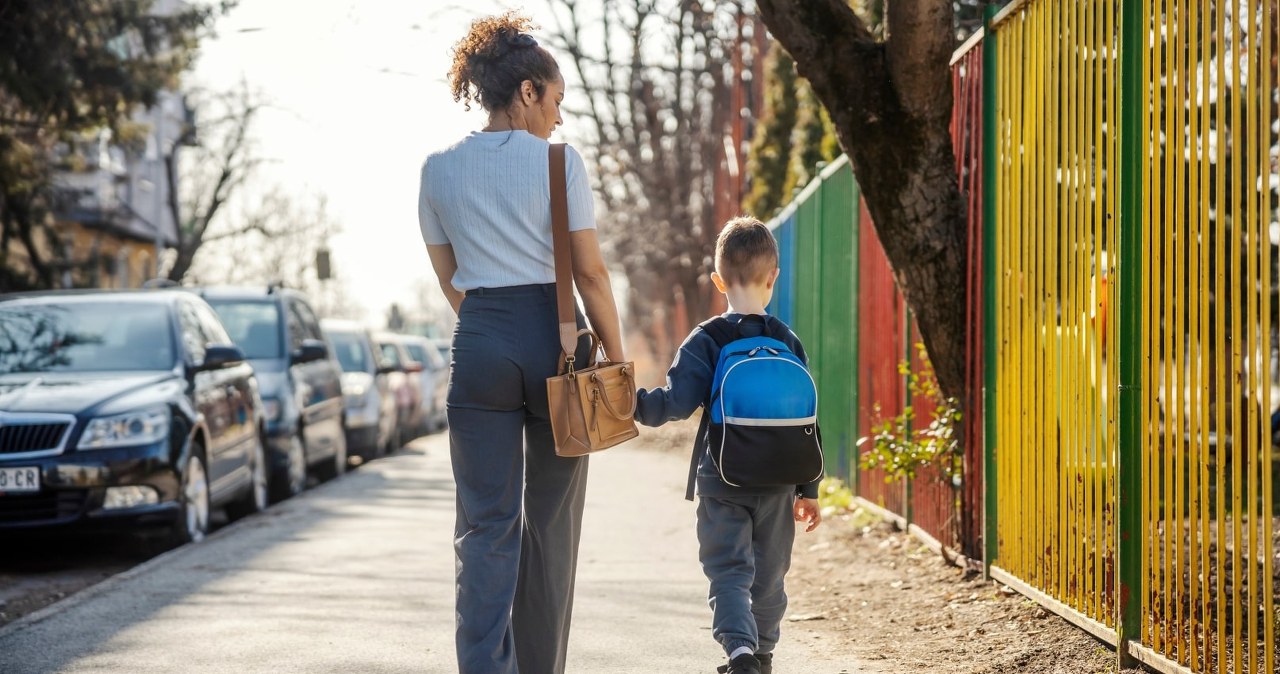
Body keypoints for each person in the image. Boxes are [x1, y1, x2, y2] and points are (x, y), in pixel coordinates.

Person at [417, 12, 624, 674]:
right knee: (551, 527)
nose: (559, 119)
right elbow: (589, 273)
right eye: (555, 100)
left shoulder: (436, 170)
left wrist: (488, 324)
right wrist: (616, 357)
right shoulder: (561, 164)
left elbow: (451, 281)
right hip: (555, 345)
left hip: (478, 344)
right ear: (528, 92)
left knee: (484, 527)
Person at [635, 217, 823, 674]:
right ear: (773, 277)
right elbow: (807, 420)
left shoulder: (706, 339)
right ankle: (762, 655)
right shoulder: (786, 341)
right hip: (780, 483)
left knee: (729, 569)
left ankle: (739, 653)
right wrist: (810, 489)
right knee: (770, 574)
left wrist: (632, 405)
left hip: (722, 479)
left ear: (718, 280)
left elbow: (675, 405)